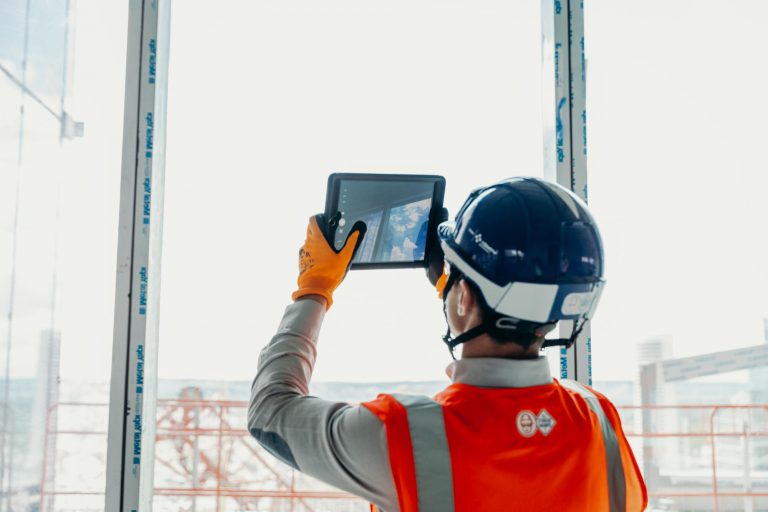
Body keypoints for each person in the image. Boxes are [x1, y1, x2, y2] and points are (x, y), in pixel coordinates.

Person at [248, 177, 647, 511]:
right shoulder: (599, 420)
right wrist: (459, 293)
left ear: (466, 300)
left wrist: (314, 289)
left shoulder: (402, 433)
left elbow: (270, 413)